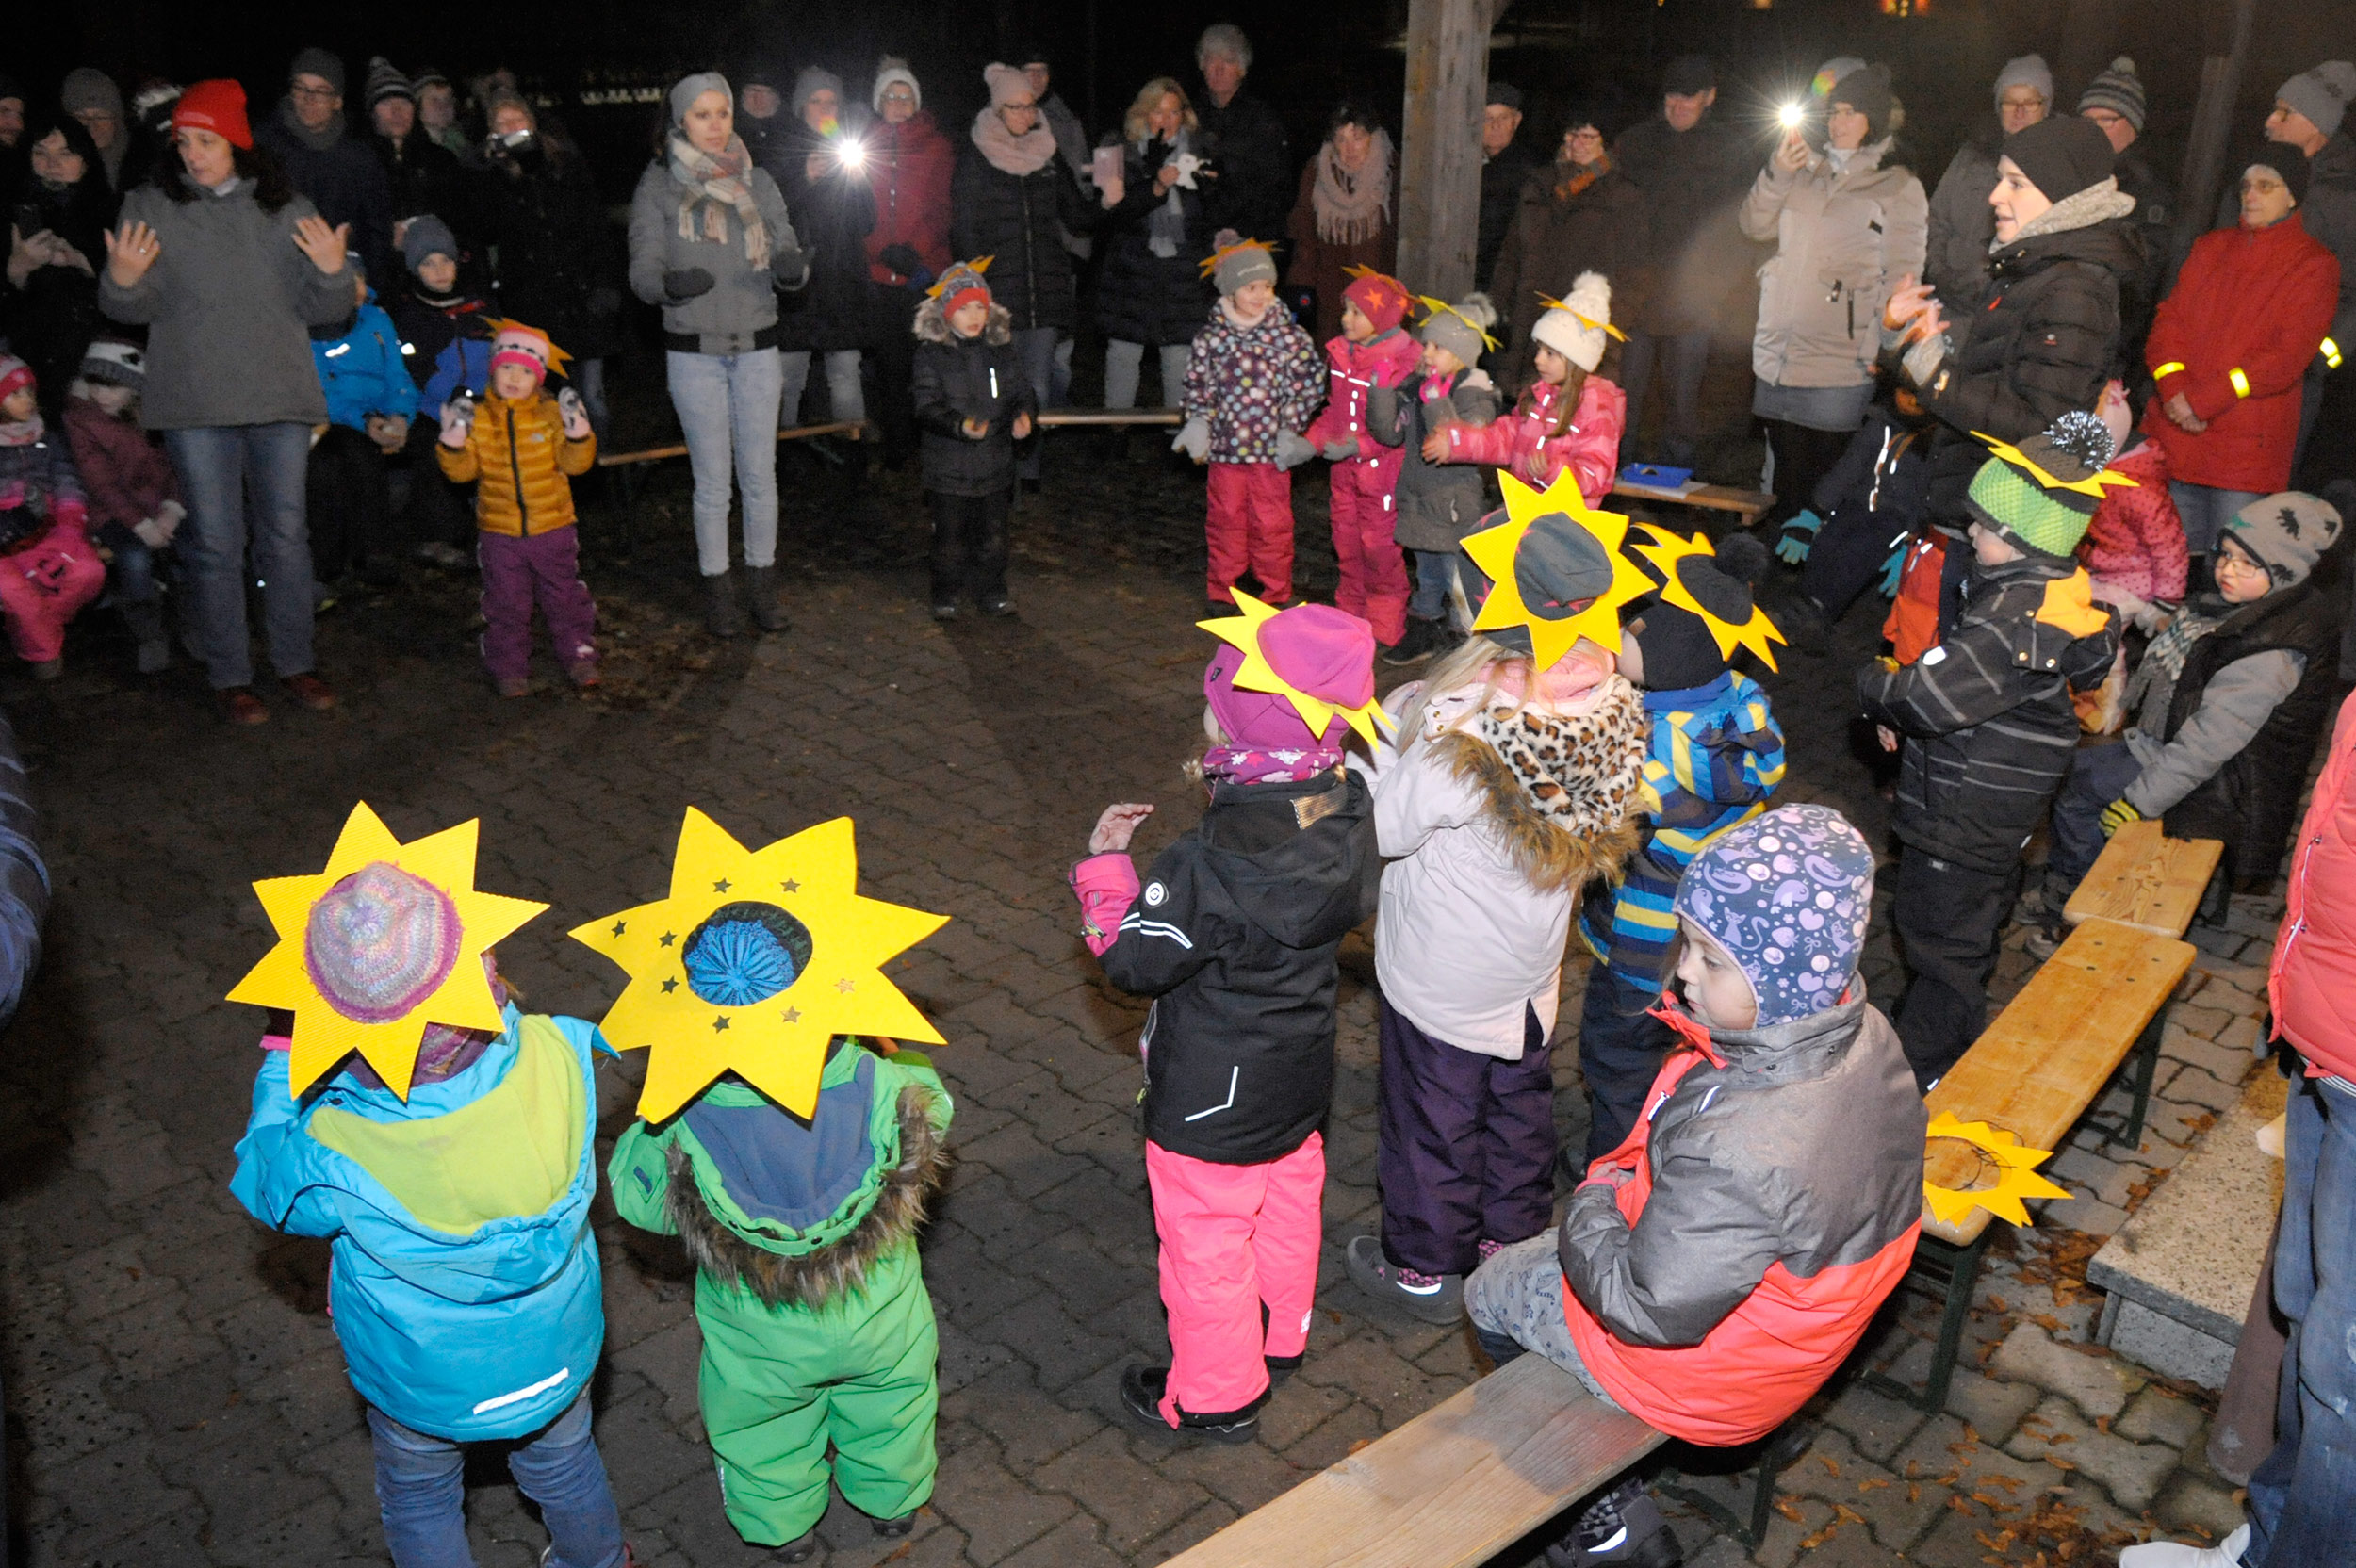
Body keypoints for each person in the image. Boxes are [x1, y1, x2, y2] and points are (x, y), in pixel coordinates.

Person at [1467, 804, 1922, 1568]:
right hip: (1790, 1327)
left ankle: (1600, 1516)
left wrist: (1592, 1199)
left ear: (1777, 983)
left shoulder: (1749, 1141)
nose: (1683, 970)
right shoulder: (1863, 1031)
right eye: (1693, 946)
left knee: (1495, 1287)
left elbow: (1650, 1309)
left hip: (1710, 1374)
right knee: (1574, 1249)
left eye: (1712, 961)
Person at [225, 813, 633, 1568]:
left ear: (331, 1021)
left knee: (418, 1497)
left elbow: (265, 1186)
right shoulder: (564, 1050)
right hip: (556, 1349)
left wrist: (286, 1065)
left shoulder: (331, 1143)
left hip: (417, 1374)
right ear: (482, 970)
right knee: (567, 1467)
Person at [1074, 600, 1383, 1443]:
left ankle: (1217, 1394)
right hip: (1301, 1064)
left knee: (1206, 1242)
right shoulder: (1347, 804)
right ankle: (1279, 1333)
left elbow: (1134, 963)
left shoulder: (1202, 866)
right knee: (1287, 1196)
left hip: (1210, 1091)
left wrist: (1106, 875)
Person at [1348, 508, 1651, 1324]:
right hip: (1528, 967)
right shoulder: (1610, 698)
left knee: (1433, 1123)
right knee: (1517, 1107)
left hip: (1441, 973)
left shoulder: (1465, 733)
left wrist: (1380, 751)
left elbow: (1388, 827)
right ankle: (1509, 1245)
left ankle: (1422, 1266)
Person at [610, 1020, 951, 1560]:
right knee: (894, 1405)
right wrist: (897, 1056)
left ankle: (784, 1530)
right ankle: (894, 1502)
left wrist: (654, 1113)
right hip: (879, 1313)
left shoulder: (684, 1116)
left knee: (760, 1430)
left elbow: (637, 1200)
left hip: (758, 1334)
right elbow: (936, 1111)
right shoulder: (875, 1077)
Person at [1857, 421, 2121, 1088]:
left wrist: (1879, 685)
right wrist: (1912, 710)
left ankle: (1927, 1068)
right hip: (1990, 808)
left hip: (1962, 814)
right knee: (1958, 933)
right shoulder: (2046, 598)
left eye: (1982, 524)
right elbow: (1955, 698)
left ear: (2024, 536)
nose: (1970, 533)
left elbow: (1930, 696)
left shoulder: (2013, 626)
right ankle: (1933, 1028)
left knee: (1941, 943)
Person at [99, 78, 353, 725]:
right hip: (195, 401)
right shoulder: (152, 205)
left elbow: (324, 312)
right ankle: (230, 673)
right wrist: (122, 282)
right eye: (184, 141)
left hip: (278, 395)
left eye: (206, 141)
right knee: (215, 542)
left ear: (237, 143)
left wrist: (333, 274)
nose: (192, 153)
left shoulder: (286, 208)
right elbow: (129, 304)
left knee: (286, 537)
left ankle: (295, 662)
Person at [2037, 489, 2344, 961]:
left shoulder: (2269, 653)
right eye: (2226, 554)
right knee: (2084, 768)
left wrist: (2139, 801)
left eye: (2248, 564)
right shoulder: (2243, 612)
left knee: (2081, 789)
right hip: (2176, 750)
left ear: (2283, 574)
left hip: (2221, 781)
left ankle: (2077, 905)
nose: (2226, 569)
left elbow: (2209, 742)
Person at [1882, 113, 2141, 642]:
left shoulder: (2073, 290)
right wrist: (1908, 344)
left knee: (1962, 688)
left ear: (2064, 196)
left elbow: (2038, 427)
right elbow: (1991, 384)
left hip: (2005, 530)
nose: (1996, 195)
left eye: (2016, 183)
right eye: (2001, 177)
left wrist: (1934, 372)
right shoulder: (2034, 271)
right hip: (1978, 513)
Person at [1577, 531, 1786, 1167]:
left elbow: (1597, 820)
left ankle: (1613, 1166)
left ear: (1670, 656)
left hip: (1642, 944)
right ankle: (1668, 1145)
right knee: (1678, 1050)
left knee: (1616, 1057)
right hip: (1701, 941)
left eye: (1630, 636)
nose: (1615, 639)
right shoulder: (1739, 712)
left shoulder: (1653, 755)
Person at [629, 73, 810, 639]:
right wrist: (666, 285)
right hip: (695, 352)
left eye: (722, 113)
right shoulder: (658, 184)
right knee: (713, 483)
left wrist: (793, 271)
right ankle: (719, 591)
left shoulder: (759, 181)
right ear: (682, 120)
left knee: (761, 478)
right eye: (702, 115)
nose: (714, 124)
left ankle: (763, 587)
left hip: (757, 346)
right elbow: (642, 266)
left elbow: (786, 245)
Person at [1742, 63, 1925, 537]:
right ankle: (1767, 580)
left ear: (1875, 121)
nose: (1838, 122)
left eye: (1851, 113)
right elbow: (1754, 227)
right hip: (1780, 350)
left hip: (1840, 358)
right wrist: (1778, 172)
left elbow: (1902, 278)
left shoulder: (1897, 185)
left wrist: (1879, 350)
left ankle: (1810, 588)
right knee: (1779, 479)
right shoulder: (1803, 170)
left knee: (1825, 482)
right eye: (1835, 111)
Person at [2145, 149, 2341, 566]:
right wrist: (2173, 387)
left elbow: (2285, 357)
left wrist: (2200, 400)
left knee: (2228, 576)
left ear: (2293, 197)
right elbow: (2169, 323)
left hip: (2244, 454)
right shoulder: (2211, 247)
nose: (2251, 195)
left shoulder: (2314, 265)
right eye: (2246, 185)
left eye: (2266, 185)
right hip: (2177, 437)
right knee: (2161, 569)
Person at [435, 320, 597, 694]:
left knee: (563, 593)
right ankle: (508, 664)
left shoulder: (551, 414)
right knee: (506, 601)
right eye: (507, 366)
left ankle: (578, 652)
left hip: (553, 526)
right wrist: (453, 444)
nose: (514, 376)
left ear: (538, 379)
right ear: (494, 369)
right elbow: (461, 475)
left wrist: (578, 436)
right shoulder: (478, 417)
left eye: (525, 370)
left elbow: (577, 465)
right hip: (500, 532)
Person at [1612, 55, 1756, 471]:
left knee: (1683, 401)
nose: (1678, 106)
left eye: (1688, 98)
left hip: (1693, 299)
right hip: (1638, 295)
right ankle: (1616, 483)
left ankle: (1676, 489)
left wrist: (1719, 288)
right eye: (1672, 96)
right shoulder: (1636, 143)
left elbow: (1741, 224)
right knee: (1626, 396)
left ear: (1710, 97)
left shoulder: (1731, 150)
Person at [953, 64, 1091, 486]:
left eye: (1030, 106)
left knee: (1038, 386)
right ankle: (996, 468)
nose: (1025, 115)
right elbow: (963, 228)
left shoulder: (1048, 155)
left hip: (1046, 287)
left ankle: (1026, 471)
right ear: (998, 109)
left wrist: (1130, 192)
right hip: (998, 294)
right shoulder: (976, 158)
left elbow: (1081, 215)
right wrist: (977, 291)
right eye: (1015, 107)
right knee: (996, 388)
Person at [1172, 239, 1324, 611]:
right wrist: (1198, 421)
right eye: (1251, 287)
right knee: (1226, 522)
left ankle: (1275, 592)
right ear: (1230, 290)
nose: (1261, 295)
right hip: (1226, 451)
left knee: (1272, 525)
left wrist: (1290, 426)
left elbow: (1309, 384)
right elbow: (1197, 383)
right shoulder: (1212, 338)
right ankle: (1223, 590)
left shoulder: (1288, 337)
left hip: (1271, 453)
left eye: (1267, 287)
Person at [477, 92, 624, 442]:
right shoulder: (492, 178)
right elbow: (487, 230)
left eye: (518, 120)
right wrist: (494, 172)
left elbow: (595, 227)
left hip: (584, 299)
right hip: (533, 309)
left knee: (592, 398)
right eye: (502, 124)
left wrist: (605, 284)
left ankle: (605, 481)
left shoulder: (565, 164)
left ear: (531, 122)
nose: (512, 129)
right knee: (546, 401)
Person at [1367, 293, 1502, 663]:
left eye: (1438, 347)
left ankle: (1464, 639)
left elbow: (1462, 443)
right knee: (1426, 573)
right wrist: (1380, 393)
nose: (1426, 353)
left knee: (1455, 574)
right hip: (1417, 499)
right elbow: (1390, 434)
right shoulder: (1417, 386)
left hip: (1453, 504)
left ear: (1461, 353)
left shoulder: (1476, 393)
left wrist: (1437, 403)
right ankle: (1426, 627)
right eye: (1426, 344)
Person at [1301, 270, 1420, 650]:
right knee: (1348, 545)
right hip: (1344, 477)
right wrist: (1309, 443)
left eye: (1357, 312)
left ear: (1382, 318)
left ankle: (1385, 627)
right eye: (1346, 310)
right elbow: (1335, 412)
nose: (1345, 319)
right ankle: (1349, 621)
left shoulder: (1403, 363)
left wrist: (1359, 446)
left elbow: (1400, 428)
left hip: (1384, 476)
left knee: (1380, 552)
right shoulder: (1341, 354)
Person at [1430, 272, 1627, 502]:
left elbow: (1596, 474)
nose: (1538, 360)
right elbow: (1505, 437)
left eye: (1550, 354)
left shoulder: (1596, 407)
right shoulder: (1539, 396)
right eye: (1539, 350)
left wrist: (1553, 473)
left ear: (1576, 360)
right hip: (1525, 512)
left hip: (1565, 524)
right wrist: (1456, 442)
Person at [1488, 106, 1645, 392]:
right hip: (1530, 320)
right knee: (1525, 411)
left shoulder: (1622, 196)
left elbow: (1634, 272)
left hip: (1581, 329)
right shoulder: (1540, 184)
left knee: (1575, 416)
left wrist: (1608, 329)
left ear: (1605, 143)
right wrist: (1497, 305)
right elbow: (1512, 253)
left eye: (1589, 136)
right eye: (1573, 134)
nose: (1579, 144)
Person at [911, 260, 1036, 619]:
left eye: (979, 306)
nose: (973, 315)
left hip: (994, 465)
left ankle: (992, 591)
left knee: (993, 535)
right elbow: (926, 405)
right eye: (963, 308)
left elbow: (1020, 392)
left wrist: (1023, 416)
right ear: (947, 312)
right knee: (949, 538)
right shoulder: (931, 356)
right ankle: (945, 593)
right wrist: (958, 425)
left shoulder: (1001, 351)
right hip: (948, 468)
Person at [1096, 78, 1215, 416]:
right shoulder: (1113, 148)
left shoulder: (1202, 151)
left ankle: (1176, 434)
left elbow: (1213, 212)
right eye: (1158, 111)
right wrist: (1156, 187)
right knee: (1123, 351)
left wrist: (1212, 186)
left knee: (1179, 354)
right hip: (1129, 268)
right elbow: (1105, 214)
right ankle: (1114, 431)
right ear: (1142, 113)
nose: (1167, 119)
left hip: (1183, 271)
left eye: (1174, 111)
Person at [61, 337, 180, 673]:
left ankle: (194, 622)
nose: (103, 396)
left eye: (113, 387)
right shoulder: (81, 420)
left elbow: (174, 466)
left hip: (159, 505)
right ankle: (149, 634)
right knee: (134, 557)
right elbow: (102, 484)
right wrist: (141, 525)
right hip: (112, 511)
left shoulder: (151, 415)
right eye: (96, 386)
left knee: (194, 548)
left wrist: (172, 508)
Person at [861, 58, 954, 472]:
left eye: (905, 96)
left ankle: (934, 442)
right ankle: (897, 444)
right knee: (889, 365)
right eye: (891, 96)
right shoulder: (862, 144)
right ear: (879, 102)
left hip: (923, 269)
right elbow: (855, 208)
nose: (898, 103)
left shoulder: (937, 145)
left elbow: (941, 206)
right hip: (878, 271)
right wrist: (880, 248)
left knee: (929, 363)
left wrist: (914, 248)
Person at [773, 70, 875, 437]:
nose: (824, 108)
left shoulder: (849, 148)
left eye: (831, 101)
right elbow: (770, 211)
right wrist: (805, 176)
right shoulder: (781, 147)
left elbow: (866, 220)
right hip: (797, 284)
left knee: (846, 373)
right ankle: (783, 455)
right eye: (816, 101)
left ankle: (854, 455)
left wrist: (857, 176)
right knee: (789, 377)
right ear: (802, 106)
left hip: (842, 280)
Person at [306, 257, 417, 591]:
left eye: (356, 279)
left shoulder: (377, 319)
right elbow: (322, 389)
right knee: (339, 459)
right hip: (331, 418)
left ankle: (373, 552)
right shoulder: (311, 328)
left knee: (368, 449)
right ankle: (333, 560)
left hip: (377, 413)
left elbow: (398, 373)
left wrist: (399, 413)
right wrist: (365, 420)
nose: (353, 289)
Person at [255, 47, 398, 287]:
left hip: (342, 281)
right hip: (275, 281)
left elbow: (377, 230)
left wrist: (368, 281)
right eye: (301, 88)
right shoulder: (260, 147)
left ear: (338, 101)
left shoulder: (360, 158)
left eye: (321, 91)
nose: (309, 99)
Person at [4, 113, 117, 411]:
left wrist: (86, 264)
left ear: (85, 161)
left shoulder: (112, 215)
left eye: (66, 154)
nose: (52, 165)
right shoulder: (10, 214)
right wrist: (16, 270)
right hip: (25, 378)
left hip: (99, 378)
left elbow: (133, 303)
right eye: (40, 153)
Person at [0, 355, 104, 679]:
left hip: (46, 527)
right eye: (16, 394)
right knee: (14, 591)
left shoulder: (46, 435)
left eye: (29, 392)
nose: (27, 401)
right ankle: (42, 650)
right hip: (4, 538)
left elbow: (67, 481)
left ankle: (34, 627)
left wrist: (70, 527)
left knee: (88, 571)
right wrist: (16, 497)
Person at [1925, 54, 2053, 312]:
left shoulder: (2055, 165)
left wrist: (1989, 286)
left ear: (2045, 107)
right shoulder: (1971, 156)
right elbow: (1936, 220)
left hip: (2006, 308)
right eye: (2010, 102)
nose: (2020, 112)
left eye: (2030, 102)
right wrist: (1940, 273)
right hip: (1947, 302)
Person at [2077, 57, 2172, 366]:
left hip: (2102, 344)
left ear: (2133, 125)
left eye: (2107, 120)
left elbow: (2140, 282)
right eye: (2089, 121)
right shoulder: (2066, 174)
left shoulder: (2148, 192)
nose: (2095, 131)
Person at [1286, 105, 1398, 347]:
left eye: (1358, 138)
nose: (1349, 149)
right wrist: (1301, 292)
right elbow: (1304, 235)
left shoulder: (1393, 173)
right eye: (1341, 139)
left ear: (1373, 137)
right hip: (1330, 294)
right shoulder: (1316, 173)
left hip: (1379, 295)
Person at [1191, 24, 1291, 249]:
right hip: (1199, 241)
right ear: (1201, 65)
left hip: (1249, 241)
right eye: (1210, 60)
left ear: (1242, 69)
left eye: (1227, 61)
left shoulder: (1262, 120)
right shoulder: (1190, 117)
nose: (1217, 69)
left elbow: (1274, 190)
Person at [362, 59, 466, 257]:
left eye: (404, 102)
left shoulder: (442, 160)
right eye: (385, 103)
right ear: (372, 112)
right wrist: (385, 236)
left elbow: (464, 221)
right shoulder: (356, 163)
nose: (397, 111)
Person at [1475, 84, 1533, 293]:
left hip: (1499, 283)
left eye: (1504, 118)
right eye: (1487, 118)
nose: (1496, 125)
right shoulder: (1458, 167)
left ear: (1516, 122)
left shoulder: (1528, 174)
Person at [412, 66, 468, 157]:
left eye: (448, 99)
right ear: (417, 106)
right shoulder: (413, 152)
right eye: (434, 100)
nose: (444, 106)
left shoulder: (463, 146)